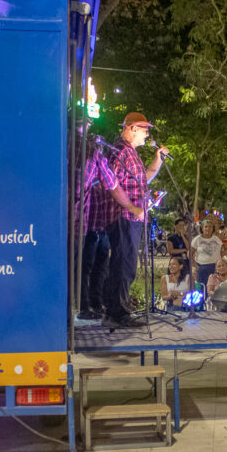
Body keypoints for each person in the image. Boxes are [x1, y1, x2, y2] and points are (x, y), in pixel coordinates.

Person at [101, 112, 170, 328]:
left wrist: (158, 159)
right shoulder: (121, 151)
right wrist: (132, 207)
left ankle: (117, 310)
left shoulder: (131, 153)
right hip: (124, 216)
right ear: (132, 128)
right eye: (144, 130)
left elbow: (144, 178)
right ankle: (116, 313)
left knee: (127, 264)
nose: (147, 134)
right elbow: (112, 183)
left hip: (133, 216)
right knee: (124, 264)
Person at [78, 141, 143, 322]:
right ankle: (85, 307)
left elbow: (117, 184)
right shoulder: (102, 172)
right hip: (91, 226)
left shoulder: (104, 169)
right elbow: (112, 185)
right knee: (86, 267)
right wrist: (130, 207)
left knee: (102, 268)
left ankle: (99, 305)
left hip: (103, 227)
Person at [191, 218, 224, 290]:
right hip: (201, 267)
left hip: (215, 267)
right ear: (202, 228)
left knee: (214, 287)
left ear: (213, 229)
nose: (208, 228)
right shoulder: (197, 239)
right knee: (201, 287)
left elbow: (222, 251)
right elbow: (189, 254)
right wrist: (195, 265)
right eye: (206, 227)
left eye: (210, 227)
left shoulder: (216, 239)